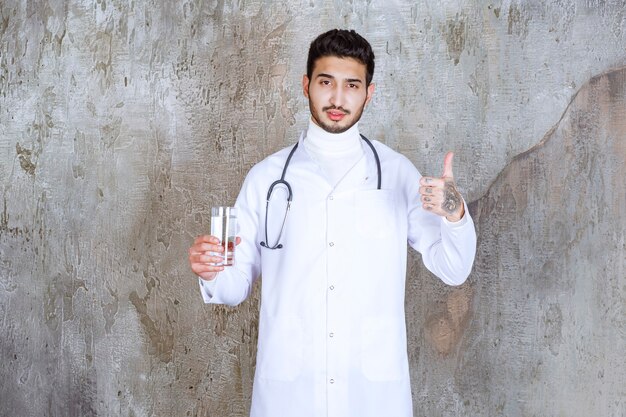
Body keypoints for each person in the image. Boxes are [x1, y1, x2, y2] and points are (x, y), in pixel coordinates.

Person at [188, 29, 476, 417]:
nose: (338, 99)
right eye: (326, 82)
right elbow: (233, 286)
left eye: (352, 85)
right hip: (289, 397)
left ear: (368, 93)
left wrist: (455, 214)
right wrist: (210, 272)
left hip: (373, 398)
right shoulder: (266, 179)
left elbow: (454, 269)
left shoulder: (396, 174)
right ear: (307, 85)